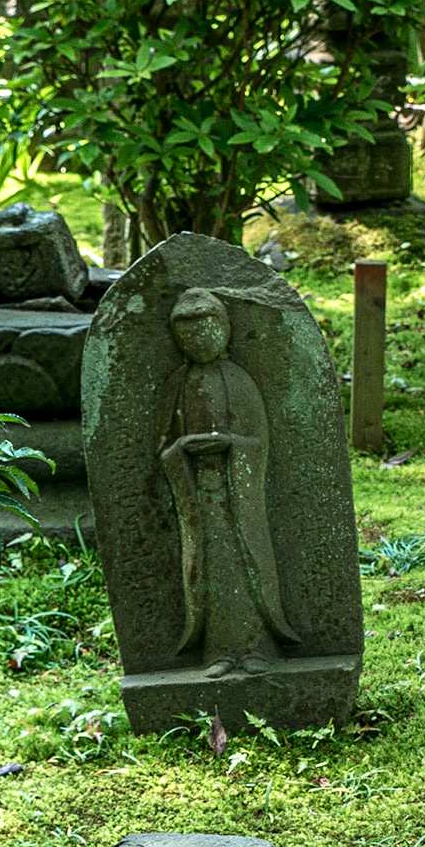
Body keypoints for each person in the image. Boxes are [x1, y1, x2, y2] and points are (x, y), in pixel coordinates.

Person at [158, 289, 298, 678]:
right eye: (188, 335)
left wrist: (231, 445)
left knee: (246, 564)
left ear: (224, 331)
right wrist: (182, 449)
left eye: (206, 331)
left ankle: (257, 648)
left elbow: (258, 441)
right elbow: (163, 447)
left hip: (241, 494)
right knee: (208, 570)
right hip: (199, 497)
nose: (198, 341)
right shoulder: (178, 384)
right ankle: (219, 651)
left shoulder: (238, 379)